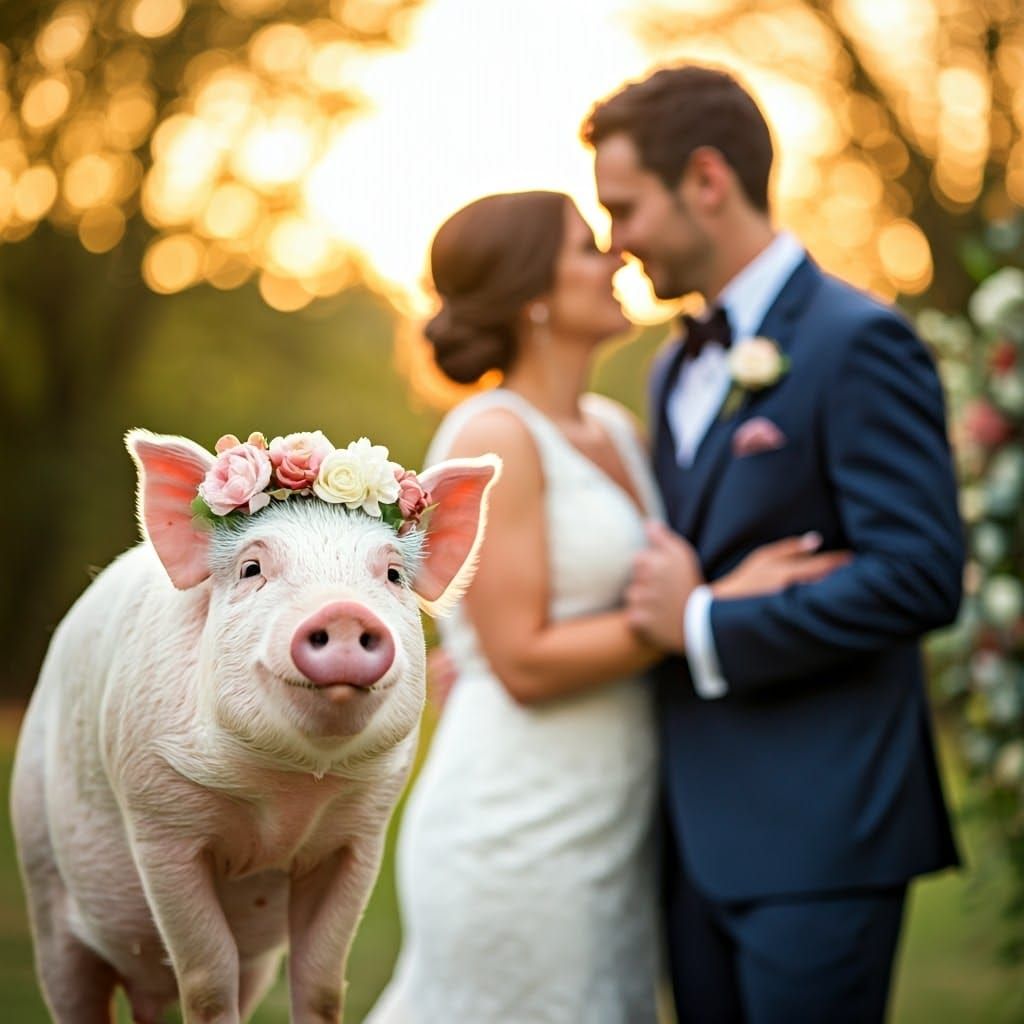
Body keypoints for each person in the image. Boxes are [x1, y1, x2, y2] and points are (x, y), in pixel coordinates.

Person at [366, 190, 844, 1023]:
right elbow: (520, 663)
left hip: (617, 825)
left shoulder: (618, 430)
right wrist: (713, 607)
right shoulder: (493, 434)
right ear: (534, 294)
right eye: (587, 247)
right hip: (519, 827)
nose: (616, 258)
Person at [580, 64, 964, 1023]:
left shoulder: (858, 341)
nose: (616, 244)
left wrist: (705, 620)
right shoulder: (671, 370)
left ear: (706, 180)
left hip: (823, 832)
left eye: (625, 208)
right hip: (690, 838)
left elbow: (920, 576)